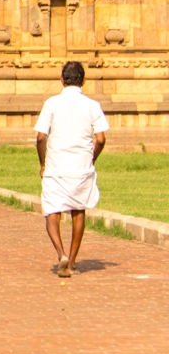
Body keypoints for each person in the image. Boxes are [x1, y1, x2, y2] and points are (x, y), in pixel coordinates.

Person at [35, 61, 109, 278]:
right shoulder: (92, 105)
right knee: (78, 211)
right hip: (81, 166)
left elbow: (40, 137)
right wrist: (91, 157)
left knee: (52, 211)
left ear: (62, 80)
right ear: (83, 81)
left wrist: (43, 162)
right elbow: (101, 138)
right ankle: (73, 262)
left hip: (56, 165)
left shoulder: (51, 104)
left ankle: (61, 254)